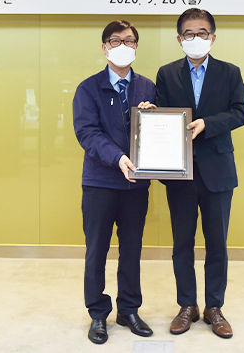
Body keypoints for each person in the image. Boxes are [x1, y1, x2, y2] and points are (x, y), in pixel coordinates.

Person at [155, 9, 244, 339]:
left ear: (213, 37)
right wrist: (150, 114)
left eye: (202, 33)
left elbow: (241, 112)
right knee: (182, 243)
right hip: (179, 171)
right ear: (179, 39)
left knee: (217, 244)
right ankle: (186, 306)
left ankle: (214, 307)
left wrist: (209, 123)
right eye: (189, 34)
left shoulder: (229, 72)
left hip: (218, 171)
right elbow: (161, 114)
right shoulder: (167, 73)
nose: (196, 38)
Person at [72, 20, 156, 344]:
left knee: (132, 250)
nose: (123, 46)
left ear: (136, 46)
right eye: (116, 40)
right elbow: (87, 133)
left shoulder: (147, 87)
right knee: (97, 250)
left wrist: (153, 115)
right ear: (104, 47)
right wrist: (118, 158)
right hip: (100, 182)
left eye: (130, 40)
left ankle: (129, 310)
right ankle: (97, 313)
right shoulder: (88, 88)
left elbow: (159, 132)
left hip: (136, 185)